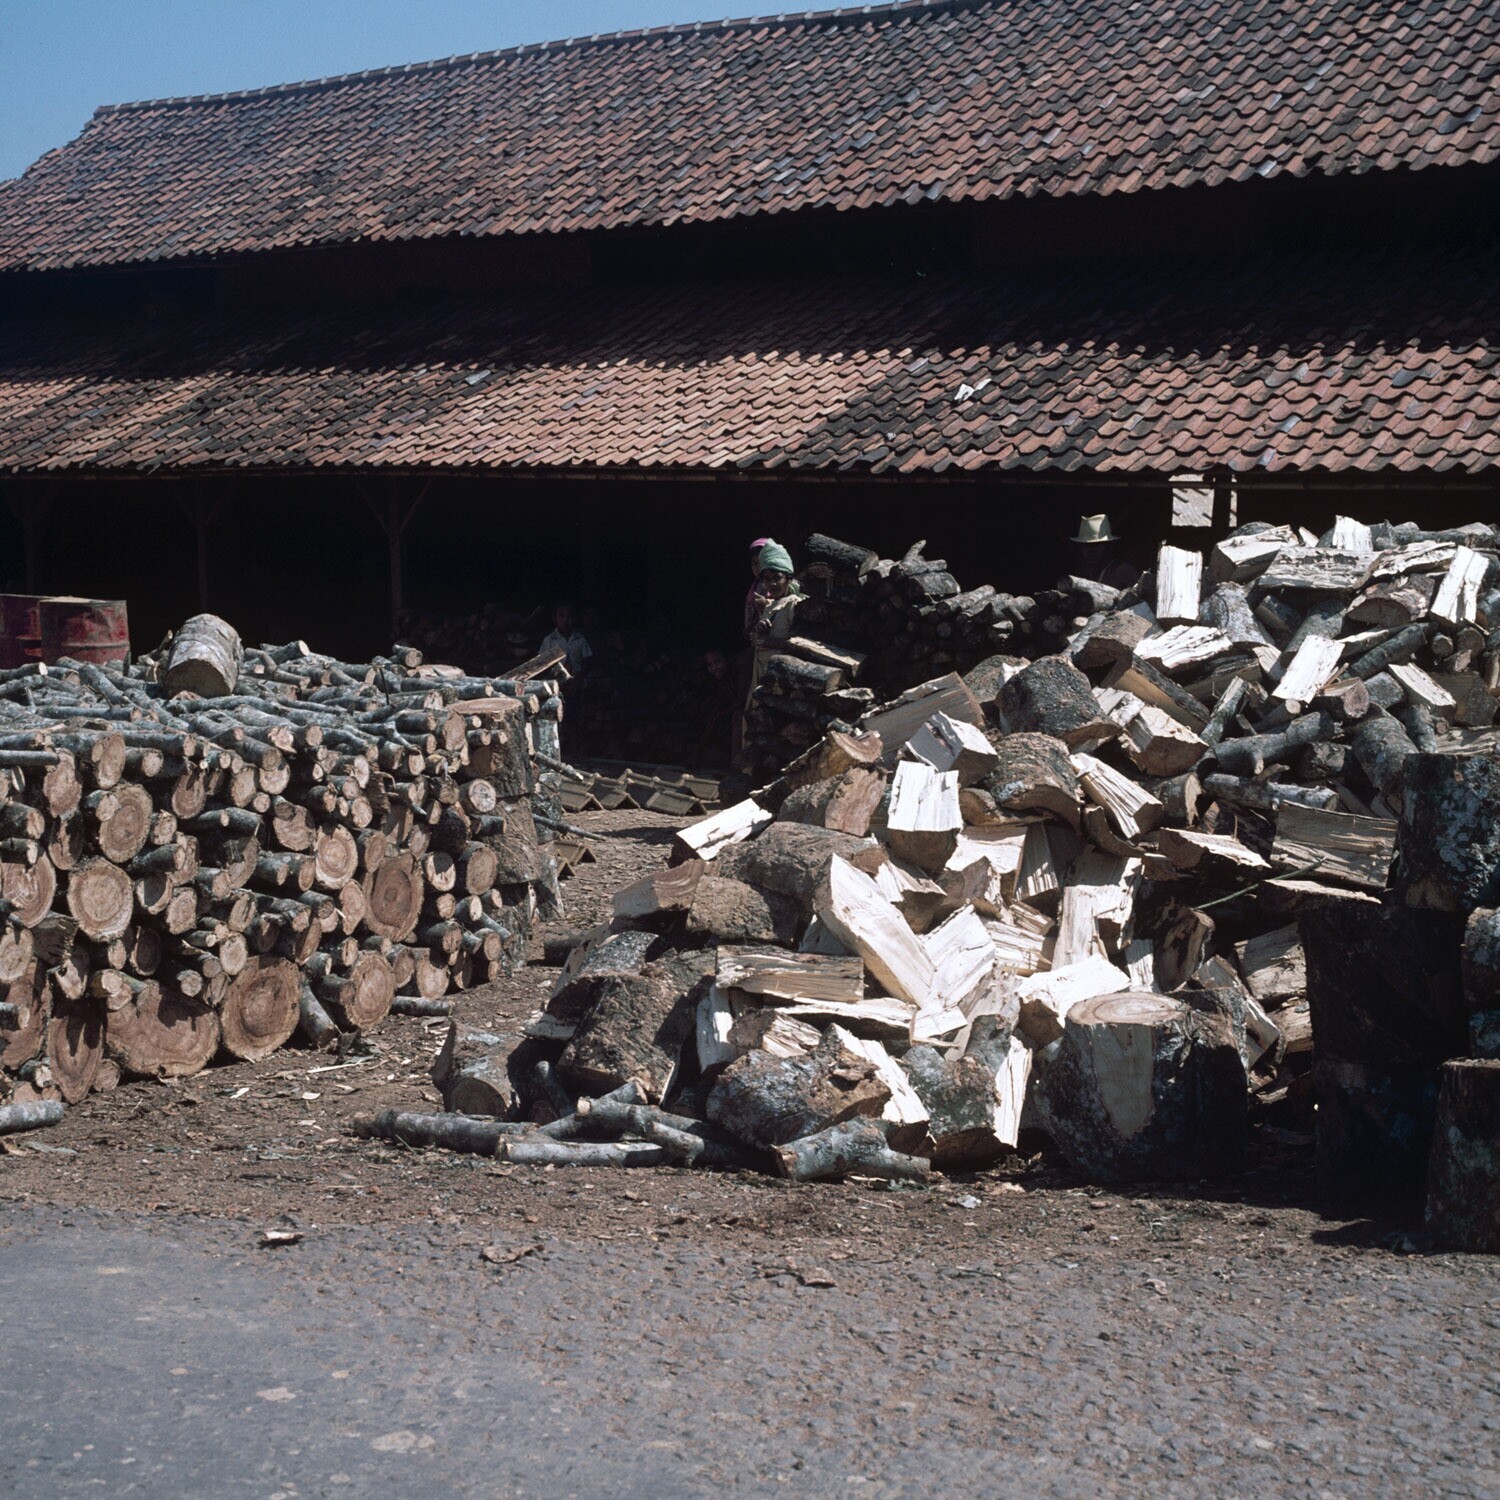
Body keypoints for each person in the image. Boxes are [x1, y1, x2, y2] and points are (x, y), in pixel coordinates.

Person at [744, 540, 801, 706]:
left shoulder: (794, 604)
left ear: (788, 579)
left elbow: (800, 643)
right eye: (767, 579)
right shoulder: (769, 605)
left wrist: (770, 642)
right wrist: (759, 631)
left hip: (783, 677)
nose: (772, 584)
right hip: (764, 673)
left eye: (777, 578)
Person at [1069, 514, 1139, 590]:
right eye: (1086, 545)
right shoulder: (1082, 572)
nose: (1090, 550)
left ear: (1108, 546)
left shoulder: (1123, 570)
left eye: (1096, 545)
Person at [538, 601, 592, 677]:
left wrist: (580, 676)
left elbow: (587, 660)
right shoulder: (549, 640)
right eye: (561, 616)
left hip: (577, 679)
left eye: (570, 616)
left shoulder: (580, 639)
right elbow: (542, 663)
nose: (565, 620)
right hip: (556, 680)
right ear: (555, 618)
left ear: (575, 618)